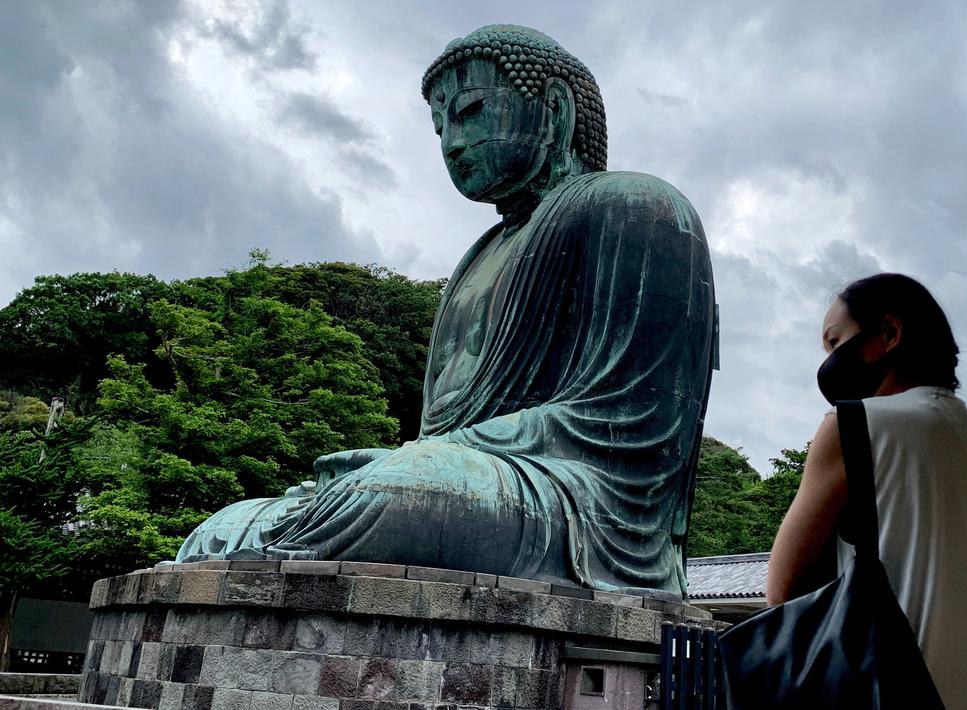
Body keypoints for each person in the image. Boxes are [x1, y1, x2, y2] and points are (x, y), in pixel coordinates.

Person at [175, 25, 718, 600]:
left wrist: (440, 458)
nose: (453, 143)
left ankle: (340, 514)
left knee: (394, 496)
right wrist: (422, 458)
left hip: (578, 504)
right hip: (464, 477)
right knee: (224, 524)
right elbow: (437, 433)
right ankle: (316, 521)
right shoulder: (476, 257)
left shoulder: (637, 208)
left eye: (473, 112)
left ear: (554, 110)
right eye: (441, 128)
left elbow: (631, 425)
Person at [766, 273, 967, 708]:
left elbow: (783, 593)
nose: (828, 363)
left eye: (835, 343)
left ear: (888, 333)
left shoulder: (855, 425)